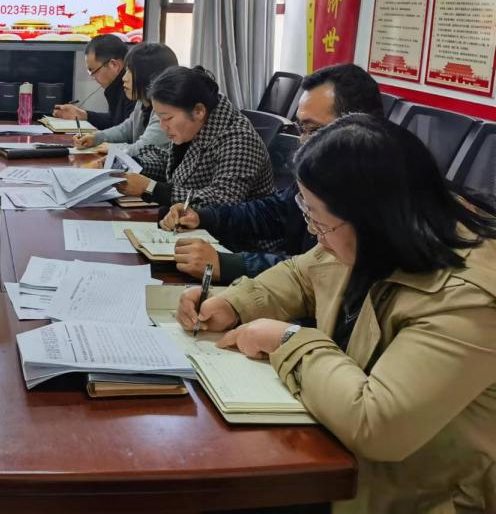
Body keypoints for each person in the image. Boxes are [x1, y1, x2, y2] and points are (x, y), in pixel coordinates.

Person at [176, 114, 496, 513]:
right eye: (307, 213)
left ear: (372, 218)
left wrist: (288, 340)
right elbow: (303, 273)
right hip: (340, 459)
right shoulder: (377, 235)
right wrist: (234, 303)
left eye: (318, 219)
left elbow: (378, 424)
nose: (315, 233)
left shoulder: (470, 299)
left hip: (414, 496)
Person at [159, 63, 385, 282]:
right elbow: (274, 212)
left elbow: (317, 271)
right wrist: (204, 216)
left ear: (357, 128)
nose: (303, 141)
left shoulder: (375, 194)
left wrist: (228, 265)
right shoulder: (323, 171)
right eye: (301, 129)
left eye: (312, 129)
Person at [120, 65, 274, 208]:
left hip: (236, 229)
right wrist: (134, 165)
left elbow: (222, 201)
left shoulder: (240, 141)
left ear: (199, 111)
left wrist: (151, 188)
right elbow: (172, 163)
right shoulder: (195, 124)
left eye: (167, 118)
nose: (162, 125)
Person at [73, 43, 177, 157]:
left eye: (130, 71)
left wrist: (113, 148)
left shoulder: (165, 111)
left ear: (148, 76)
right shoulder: (142, 102)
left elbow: (144, 149)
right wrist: (96, 138)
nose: (124, 78)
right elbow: (125, 129)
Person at [53, 34, 135, 129]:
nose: (93, 77)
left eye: (93, 71)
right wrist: (83, 115)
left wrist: (97, 137)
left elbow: (126, 132)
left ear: (114, 65)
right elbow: (115, 121)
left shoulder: (133, 88)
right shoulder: (116, 86)